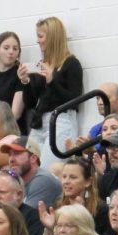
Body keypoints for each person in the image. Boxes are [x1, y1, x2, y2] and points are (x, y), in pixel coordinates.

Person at [23, 16, 84, 168]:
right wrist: (25, 82)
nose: (38, 41)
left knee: (47, 170)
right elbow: (31, 102)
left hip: (61, 120)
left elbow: (75, 99)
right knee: (27, 168)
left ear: (52, 37)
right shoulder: (40, 65)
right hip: (39, 122)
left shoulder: (71, 63)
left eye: (40, 36)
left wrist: (52, 81)